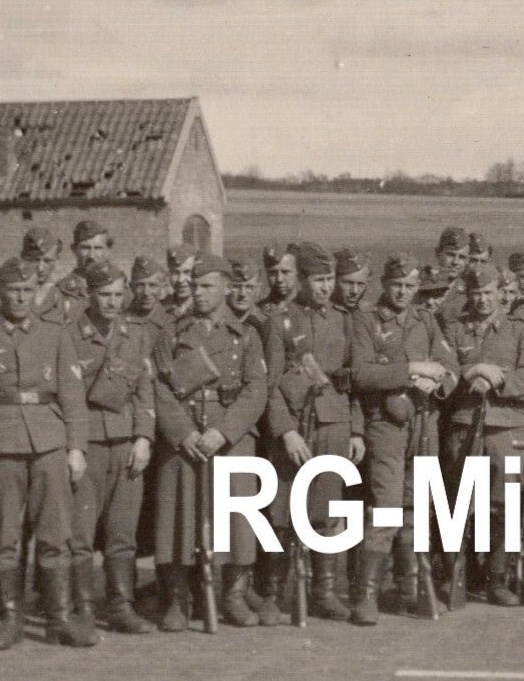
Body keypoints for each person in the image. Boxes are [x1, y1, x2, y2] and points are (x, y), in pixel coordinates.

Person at [0, 258, 94, 652]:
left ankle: (59, 618)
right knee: (2, 536)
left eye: (27, 290)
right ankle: (9, 617)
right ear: (0, 291)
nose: (20, 297)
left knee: (56, 534)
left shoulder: (55, 333)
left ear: (36, 292)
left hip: (49, 441)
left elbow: (72, 395)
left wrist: (76, 447)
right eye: (13, 290)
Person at [150, 253, 269, 631]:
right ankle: (178, 599)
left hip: (229, 433)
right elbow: (158, 388)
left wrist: (224, 431)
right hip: (184, 432)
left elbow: (256, 389)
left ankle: (233, 595)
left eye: (207, 286)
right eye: (194, 286)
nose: (198, 293)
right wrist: (183, 432)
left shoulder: (246, 335)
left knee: (238, 516)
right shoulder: (172, 332)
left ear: (226, 288)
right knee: (179, 515)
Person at [348, 256, 455, 624]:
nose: (403, 292)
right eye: (397, 285)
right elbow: (361, 373)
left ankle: (410, 589)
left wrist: (436, 380)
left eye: (410, 286)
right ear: (384, 284)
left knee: (417, 508)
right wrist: (410, 370)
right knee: (388, 507)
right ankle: (366, 594)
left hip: (424, 423)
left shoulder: (425, 320)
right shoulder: (367, 320)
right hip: (386, 425)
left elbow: (450, 367)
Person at [441, 264, 524, 605]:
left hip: (506, 427)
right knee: (459, 503)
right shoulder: (455, 329)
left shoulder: (519, 330)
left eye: (488, 292)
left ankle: (498, 577)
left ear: (501, 293)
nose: (483, 300)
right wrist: (471, 373)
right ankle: (459, 573)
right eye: (476, 293)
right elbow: (444, 369)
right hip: (464, 425)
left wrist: (499, 381)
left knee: (507, 503)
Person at [266, 243, 359, 621]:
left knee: (326, 510)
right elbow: (270, 385)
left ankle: (324, 591)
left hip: (334, 422)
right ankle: (275, 592)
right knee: (282, 511)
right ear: (301, 280)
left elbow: (352, 381)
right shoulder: (280, 320)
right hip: (295, 426)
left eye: (330, 279)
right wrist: (286, 431)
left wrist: (357, 431)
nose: (325, 287)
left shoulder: (342, 318)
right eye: (318, 280)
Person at [68, 260, 157, 636]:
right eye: (104, 294)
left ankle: (121, 604)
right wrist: (74, 447)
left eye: (119, 295)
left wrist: (144, 438)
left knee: (123, 534)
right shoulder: (70, 334)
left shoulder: (134, 334)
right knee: (80, 535)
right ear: (89, 294)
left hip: (125, 445)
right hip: (87, 445)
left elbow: (144, 390)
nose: (112, 302)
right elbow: (67, 395)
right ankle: (83, 606)